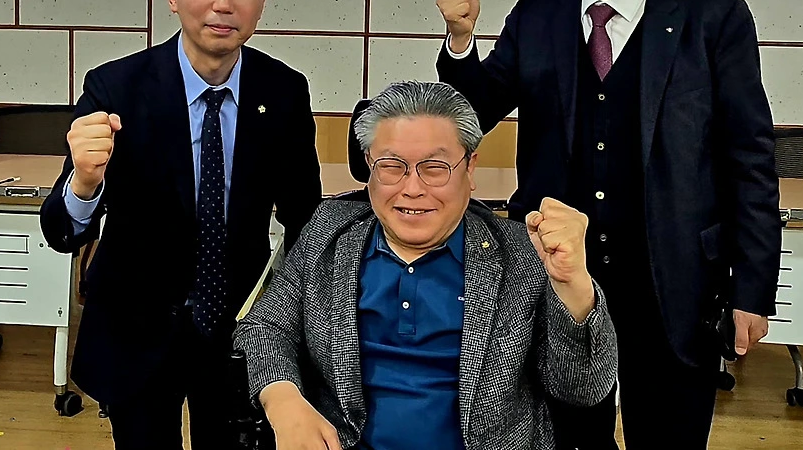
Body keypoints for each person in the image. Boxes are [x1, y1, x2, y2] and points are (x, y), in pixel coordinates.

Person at [435, 0, 782, 449]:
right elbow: (473, 114)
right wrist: (462, 43)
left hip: (675, 280)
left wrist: (752, 290)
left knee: (670, 438)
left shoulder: (714, 19)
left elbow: (750, 161)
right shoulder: (536, 17)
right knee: (567, 438)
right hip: (557, 276)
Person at [39, 0, 323, 449]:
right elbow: (61, 231)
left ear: (262, 1)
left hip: (240, 332)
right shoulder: (117, 88)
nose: (224, 3)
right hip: (137, 332)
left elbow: (305, 218)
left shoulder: (284, 91)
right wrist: (83, 183)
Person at [235, 80, 617, 450]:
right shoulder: (328, 233)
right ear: (369, 166)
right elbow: (264, 328)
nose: (412, 188)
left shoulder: (522, 253)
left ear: (470, 168)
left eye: (434, 168)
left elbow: (582, 390)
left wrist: (572, 284)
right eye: (392, 166)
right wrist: (284, 401)